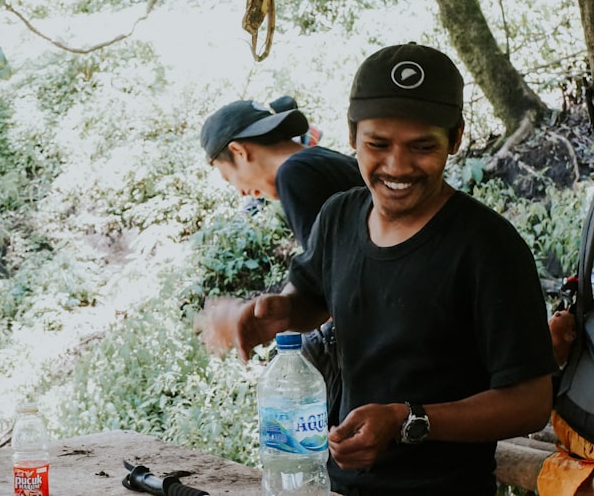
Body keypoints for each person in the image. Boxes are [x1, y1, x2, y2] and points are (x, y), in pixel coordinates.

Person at [198, 42, 557, 494]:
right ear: (352, 137)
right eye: (377, 144)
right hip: (339, 485)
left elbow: (529, 404)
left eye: (422, 146)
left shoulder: (489, 247)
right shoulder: (339, 216)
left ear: (456, 138)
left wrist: (405, 420)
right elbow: (311, 299)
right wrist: (277, 313)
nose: (397, 166)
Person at [196, 94, 364, 425]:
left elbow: (328, 283)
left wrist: (241, 316)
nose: (241, 192)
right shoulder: (321, 160)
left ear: (240, 152)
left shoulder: (295, 174)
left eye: (228, 178)